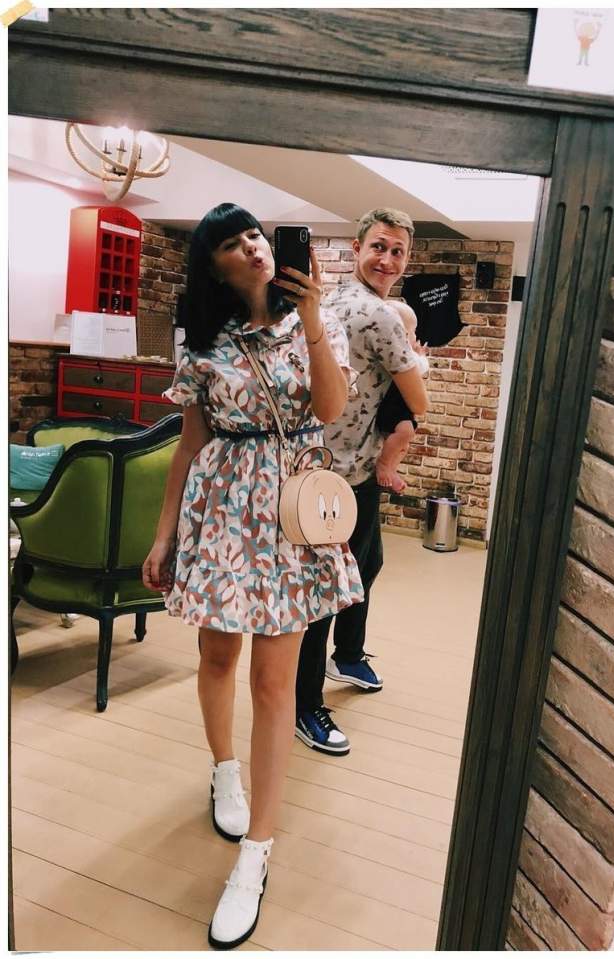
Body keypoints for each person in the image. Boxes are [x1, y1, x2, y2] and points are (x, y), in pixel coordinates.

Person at [142, 203, 363, 950]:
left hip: (291, 515)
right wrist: (165, 534)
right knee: (216, 656)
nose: (253, 246)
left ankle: (256, 852)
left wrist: (313, 318)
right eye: (234, 242)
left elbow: (330, 410)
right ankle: (223, 770)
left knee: (275, 685)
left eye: (256, 235)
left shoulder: (311, 322)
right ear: (213, 265)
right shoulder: (205, 344)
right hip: (221, 509)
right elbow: (189, 443)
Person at [294, 208, 428, 756]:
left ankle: (347, 656)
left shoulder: (328, 301)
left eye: (397, 251)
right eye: (378, 246)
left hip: (343, 466)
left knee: (365, 566)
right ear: (357, 248)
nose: (387, 259)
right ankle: (305, 706)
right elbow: (419, 400)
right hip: (337, 477)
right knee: (325, 593)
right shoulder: (379, 315)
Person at [375, 300, 429, 494]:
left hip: (400, 406)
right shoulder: (401, 351)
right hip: (393, 406)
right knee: (406, 434)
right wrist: (421, 356)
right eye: (413, 332)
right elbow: (420, 368)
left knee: (403, 446)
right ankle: (383, 464)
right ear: (403, 334)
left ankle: (392, 469)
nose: (415, 336)